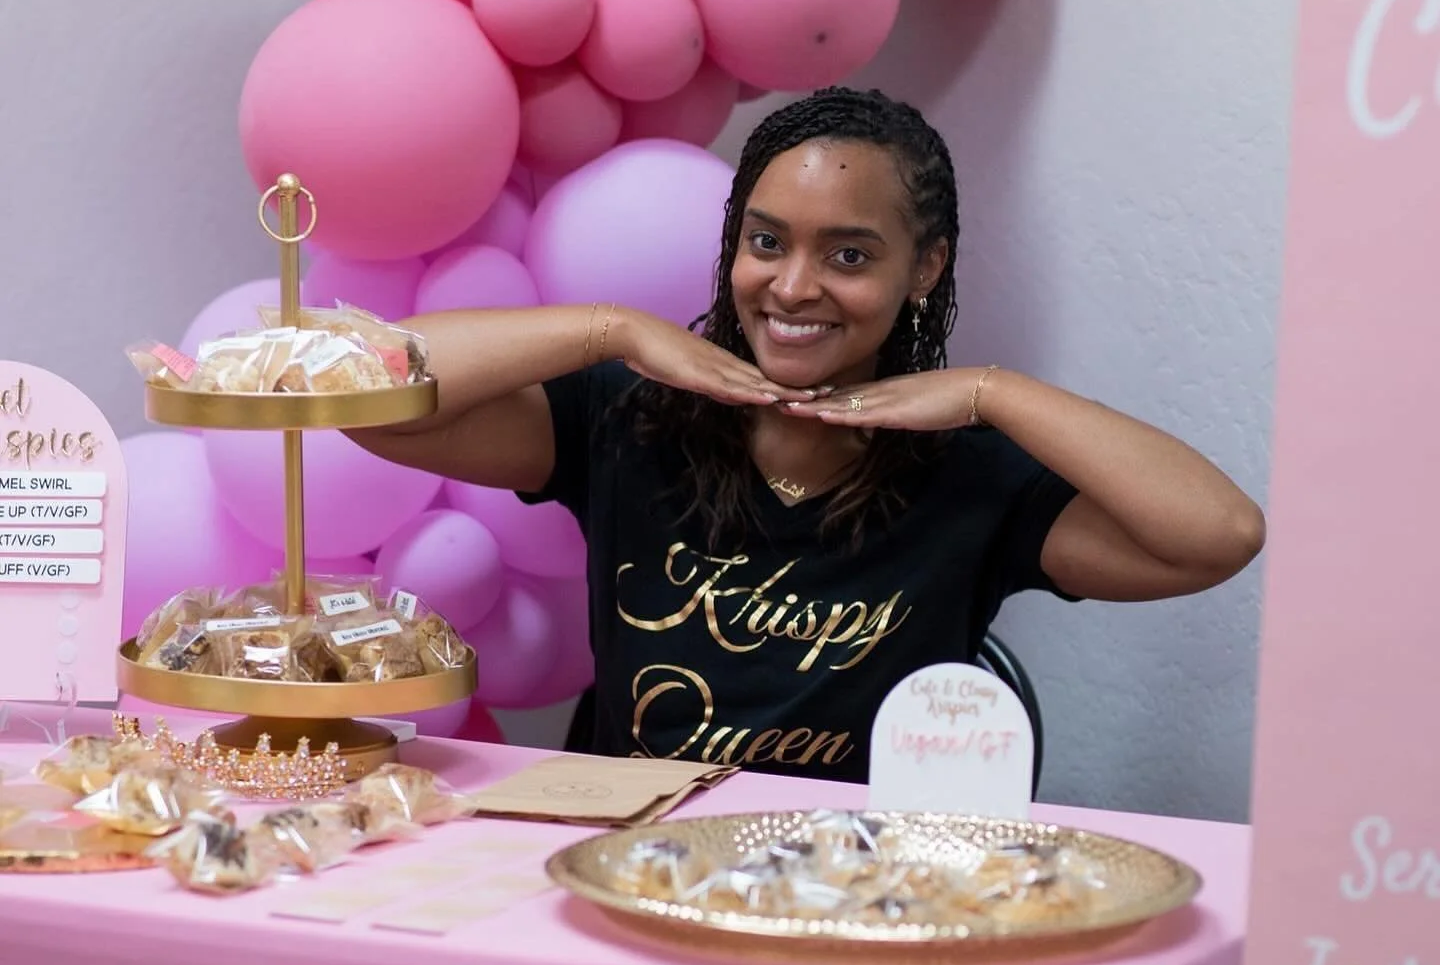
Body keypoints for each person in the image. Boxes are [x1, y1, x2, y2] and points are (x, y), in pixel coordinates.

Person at [358, 87, 1265, 783]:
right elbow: (363, 393)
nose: (792, 287)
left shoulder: (973, 474)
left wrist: (993, 392)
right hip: (630, 874)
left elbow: (1217, 535)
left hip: (854, 896)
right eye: (766, 243)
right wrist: (611, 329)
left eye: (849, 255)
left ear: (926, 267)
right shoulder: (630, 418)